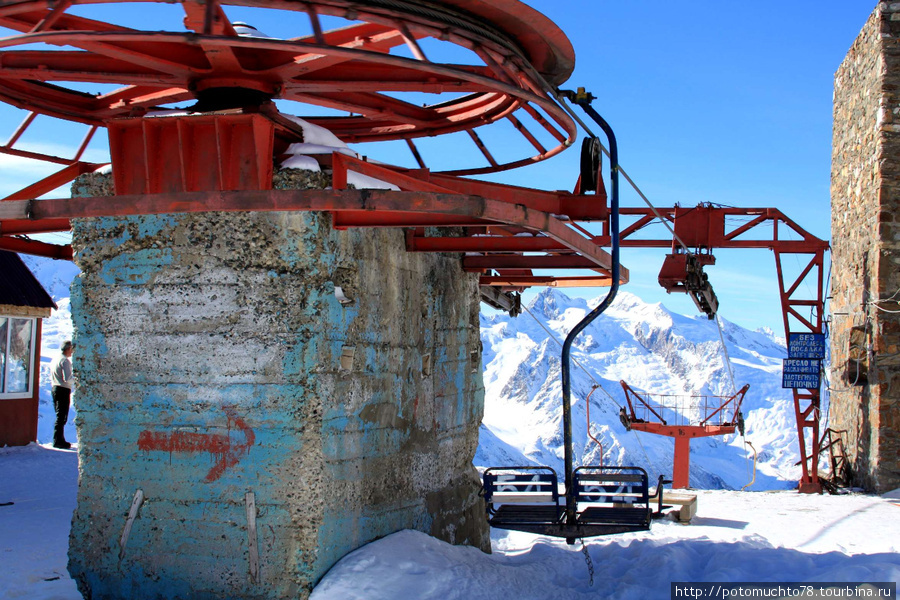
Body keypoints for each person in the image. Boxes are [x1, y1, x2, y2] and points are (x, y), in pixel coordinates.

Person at [50, 341, 75, 449]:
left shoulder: (55, 359)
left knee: (59, 415)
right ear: (68, 349)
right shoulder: (65, 361)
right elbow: (68, 378)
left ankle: (59, 439)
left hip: (55, 388)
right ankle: (58, 440)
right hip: (63, 389)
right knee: (62, 416)